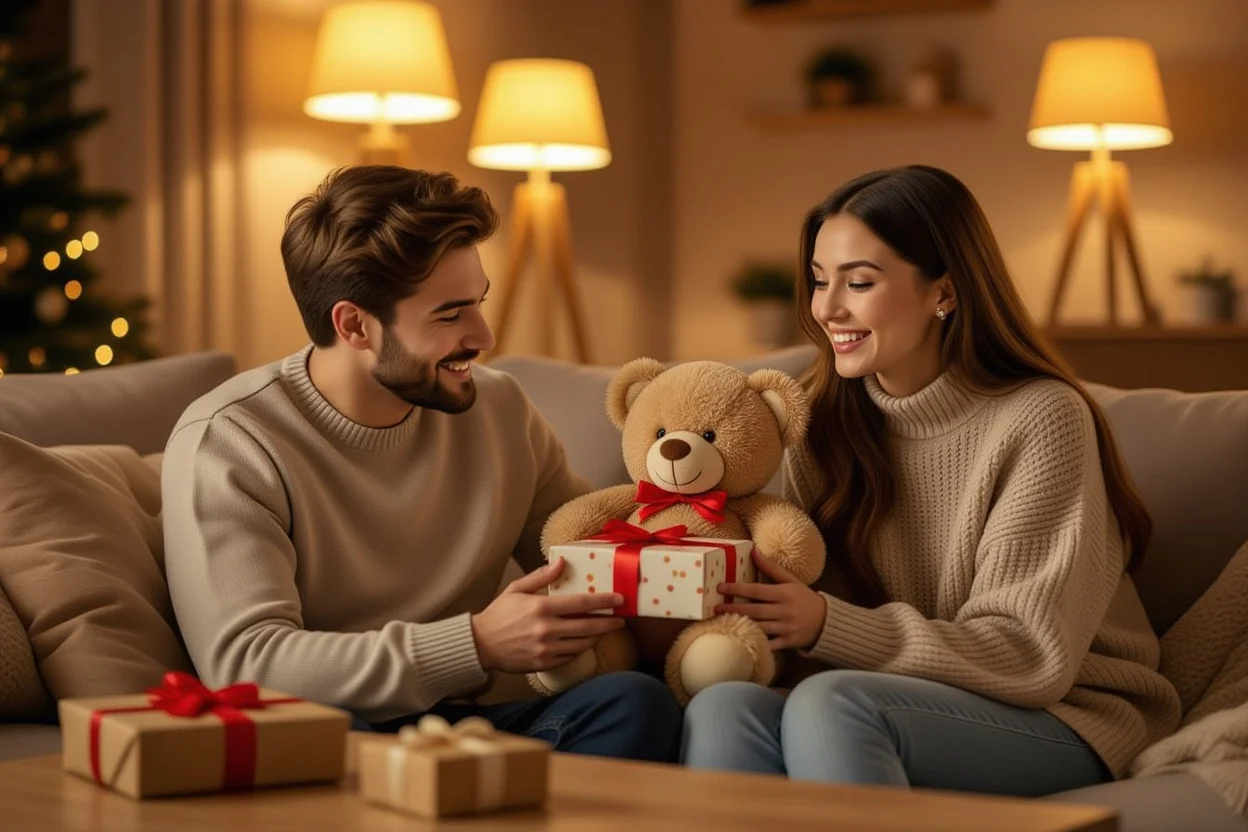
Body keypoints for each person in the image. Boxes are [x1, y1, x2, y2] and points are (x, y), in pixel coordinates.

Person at [680, 165, 1181, 795]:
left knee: (832, 705)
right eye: (818, 281)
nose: (828, 308)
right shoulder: (820, 421)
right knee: (723, 708)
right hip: (895, 697)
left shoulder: (1042, 417)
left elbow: (1030, 655)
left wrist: (827, 624)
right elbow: (812, 609)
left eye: (858, 282)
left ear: (943, 292)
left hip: (1065, 713)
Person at [162, 165, 681, 762]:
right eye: (450, 314)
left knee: (633, 703)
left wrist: (700, 559)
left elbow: (586, 550)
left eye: (479, 303)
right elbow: (247, 666)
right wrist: (476, 644)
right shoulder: (232, 440)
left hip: (460, 728)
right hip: (333, 729)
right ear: (355, 325)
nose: (484, 335)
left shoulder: (501, 408)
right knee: (326, 736)